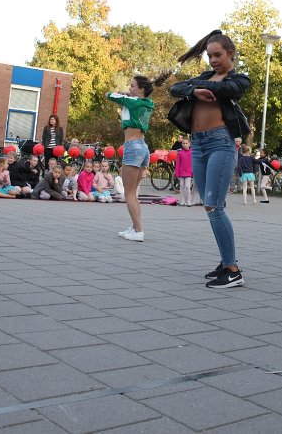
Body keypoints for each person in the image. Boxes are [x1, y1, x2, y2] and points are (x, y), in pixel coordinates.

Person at [169, 30, 251, 289]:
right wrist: (196, 90)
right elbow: (175, 88)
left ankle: (233, 270)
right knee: (210, 205)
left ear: (230, 53)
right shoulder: (204, 78)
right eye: (209, 56)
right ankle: (227, 261)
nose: (213, 60)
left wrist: (200, 88)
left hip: (221, 143)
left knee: (214, 206)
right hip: (198, 145)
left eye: (218, 55)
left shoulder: (239, 78)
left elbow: (232, 89)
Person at [107, 73, 170, 242]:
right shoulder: (147, 103)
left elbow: (109, 95)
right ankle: (135, 227)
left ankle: (139, 231)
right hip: (143, 147)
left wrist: (124, 94)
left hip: (132, 147)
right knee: (133, 194)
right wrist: (129, 95)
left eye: (132, 86)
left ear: (141, 89)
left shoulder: (132, 101)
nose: (130, 88)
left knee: (128, 194)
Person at [175, 137, 193, 206]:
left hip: (189, 172)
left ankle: (188, 201)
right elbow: (178, 164)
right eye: (183, 143)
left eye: (186, 143)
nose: (185, 145)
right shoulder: (180, 153)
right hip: (181, 172)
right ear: (182, 144)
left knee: (187, 186)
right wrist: (177, 173)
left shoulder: (192, 152)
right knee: (182, 186)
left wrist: (193, 173)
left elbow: (193, 163)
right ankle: (183, 200)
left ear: (189, 144)